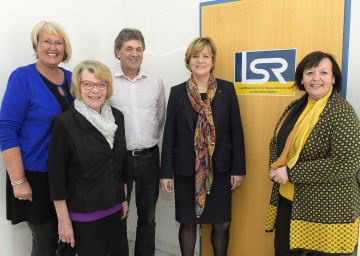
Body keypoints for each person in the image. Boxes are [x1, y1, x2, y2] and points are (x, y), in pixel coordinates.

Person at [265, 51, 360, 256]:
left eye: (323, 72)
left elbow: (347, 163)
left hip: (329, 209)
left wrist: (290, 173)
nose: (316, 78)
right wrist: (274, 167)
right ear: (301, 78)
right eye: (310, 72)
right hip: (289, 201)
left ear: (334, 78)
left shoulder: (342, 112)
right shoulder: (295, 106)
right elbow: (276, 142)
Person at [160, 37, 246, 256]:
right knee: (188, 223)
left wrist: (238, 169)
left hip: (220, 169)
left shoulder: (227, 90)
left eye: (205, 56)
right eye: (195, 56)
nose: (200, 60)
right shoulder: (177, 92)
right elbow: (169, 134)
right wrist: (165, 173)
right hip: (186, 170)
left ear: (213, 61)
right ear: (188, 61)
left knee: (221, 224)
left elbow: (237, 132)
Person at [0, 21, 75, 256]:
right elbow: (6, 129)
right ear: (36, 45)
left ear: (65, 48)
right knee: (46, 242)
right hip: (34, 175)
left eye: (58, 42)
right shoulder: (22, 77)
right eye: (47, 41)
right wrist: (18, 181)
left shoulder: (73, 78)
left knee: (68, 240)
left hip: (66, 175)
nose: (53, 47)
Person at [48, 60, 129, 256]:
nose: (95, 90)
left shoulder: (117, 117)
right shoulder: (64, 123)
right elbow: (56, 176)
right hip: (84, 213)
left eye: (101, 84)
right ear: (78, 86)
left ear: (107, 88)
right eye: (88, 84)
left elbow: (121, 161)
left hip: (115, 207)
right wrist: (63, 220)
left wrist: (124, 197)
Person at [109, 28, 166, 256]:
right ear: (117, 52)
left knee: (148, 218)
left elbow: (160, 117)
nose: (134, 54)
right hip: (118, 161)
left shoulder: (155, 81)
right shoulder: (107, 81)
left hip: (150, 157)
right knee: (118, 216)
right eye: (129, 49)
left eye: (139, 49)